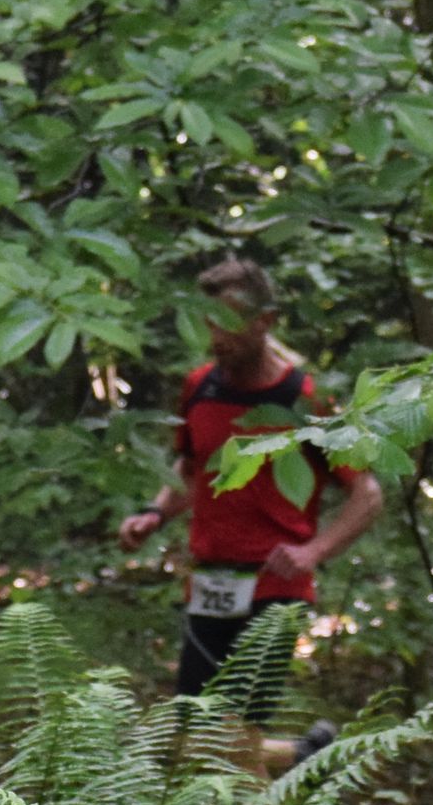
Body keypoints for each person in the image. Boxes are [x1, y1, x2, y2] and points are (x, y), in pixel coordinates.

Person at [115, 256, 385, 767]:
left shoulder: (306, 400)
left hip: (274, 589)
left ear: (265, 321)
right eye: (209, 322)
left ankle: (281, 799)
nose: (217, 337)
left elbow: (367, 495)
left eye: (231, 323)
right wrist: (154, 513)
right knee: (191, 740)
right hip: (210, 586)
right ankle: (307, 756)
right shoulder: (199, 387)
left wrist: (313, 552)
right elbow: (192, 469)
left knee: (231, 744)